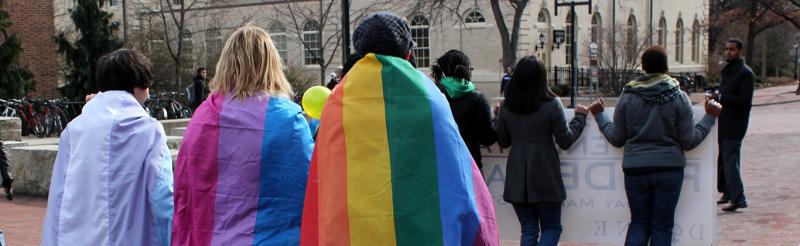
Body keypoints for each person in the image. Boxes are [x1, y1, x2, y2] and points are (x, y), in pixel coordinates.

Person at [301, 12, 499, 245]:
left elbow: (325, 180)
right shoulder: (431, 100)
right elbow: (460, 179)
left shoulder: (336, 103)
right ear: (408, 53)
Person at [171, 24, 314, 245]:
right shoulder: (290, 121)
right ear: (272, 65)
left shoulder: (202, 118)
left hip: (210, 238)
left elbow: (184, 189)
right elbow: (311, 187)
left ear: (225, 63)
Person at [589, 46, 722, 245]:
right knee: (662, 226)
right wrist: (709, 118)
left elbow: (617, 138)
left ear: (643, 67)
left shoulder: (627, 97)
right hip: (669, 168)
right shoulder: (678, 97)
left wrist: (600, 116)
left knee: (639, 223)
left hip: (635, 168)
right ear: (666, 67)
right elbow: (689, 140)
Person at [41, 49, 174, 245]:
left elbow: (57, 199)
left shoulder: (73, 130)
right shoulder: (149, 131)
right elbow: (161, 196)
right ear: (139, 83)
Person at [495, 55, 588, 246]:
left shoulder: (507, 107)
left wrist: (497, 117)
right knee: (552, 228)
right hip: (545, 173)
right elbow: (566, 140)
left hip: (517, 177)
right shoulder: (552, 104)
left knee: (528, 230)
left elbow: (503, 141)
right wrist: (580, 117)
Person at [431, 49, 496, 172]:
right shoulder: (477, 99)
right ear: (466, 71)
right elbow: (488, 138)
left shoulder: (432, 94)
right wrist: (499, 117)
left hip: (439, 168)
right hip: (470, 167)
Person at [710, 38, 754, 212]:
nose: (728, 52)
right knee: (724, 159)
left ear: (740, 51)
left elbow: (744, 101)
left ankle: (738, 197)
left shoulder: (745, 73)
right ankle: (727, 192)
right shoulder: (728, 71)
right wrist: (716, 92)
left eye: (732, 50)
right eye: (726, 49)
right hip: (724, 120)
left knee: (730, 160)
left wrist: (720, 97)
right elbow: (726, 92)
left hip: (736, 123)